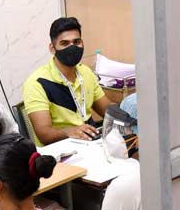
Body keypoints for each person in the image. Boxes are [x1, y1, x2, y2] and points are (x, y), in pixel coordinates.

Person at [22, 17, 116, 145]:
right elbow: (44, 134)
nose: (72, 47)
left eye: (76, 42)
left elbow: (105, 108)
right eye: (64, 43)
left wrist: (127, 109)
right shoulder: (37, 82)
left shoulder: (85, 72)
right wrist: (70, 132)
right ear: (52, 48)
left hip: (91, 142)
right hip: (59, 151)